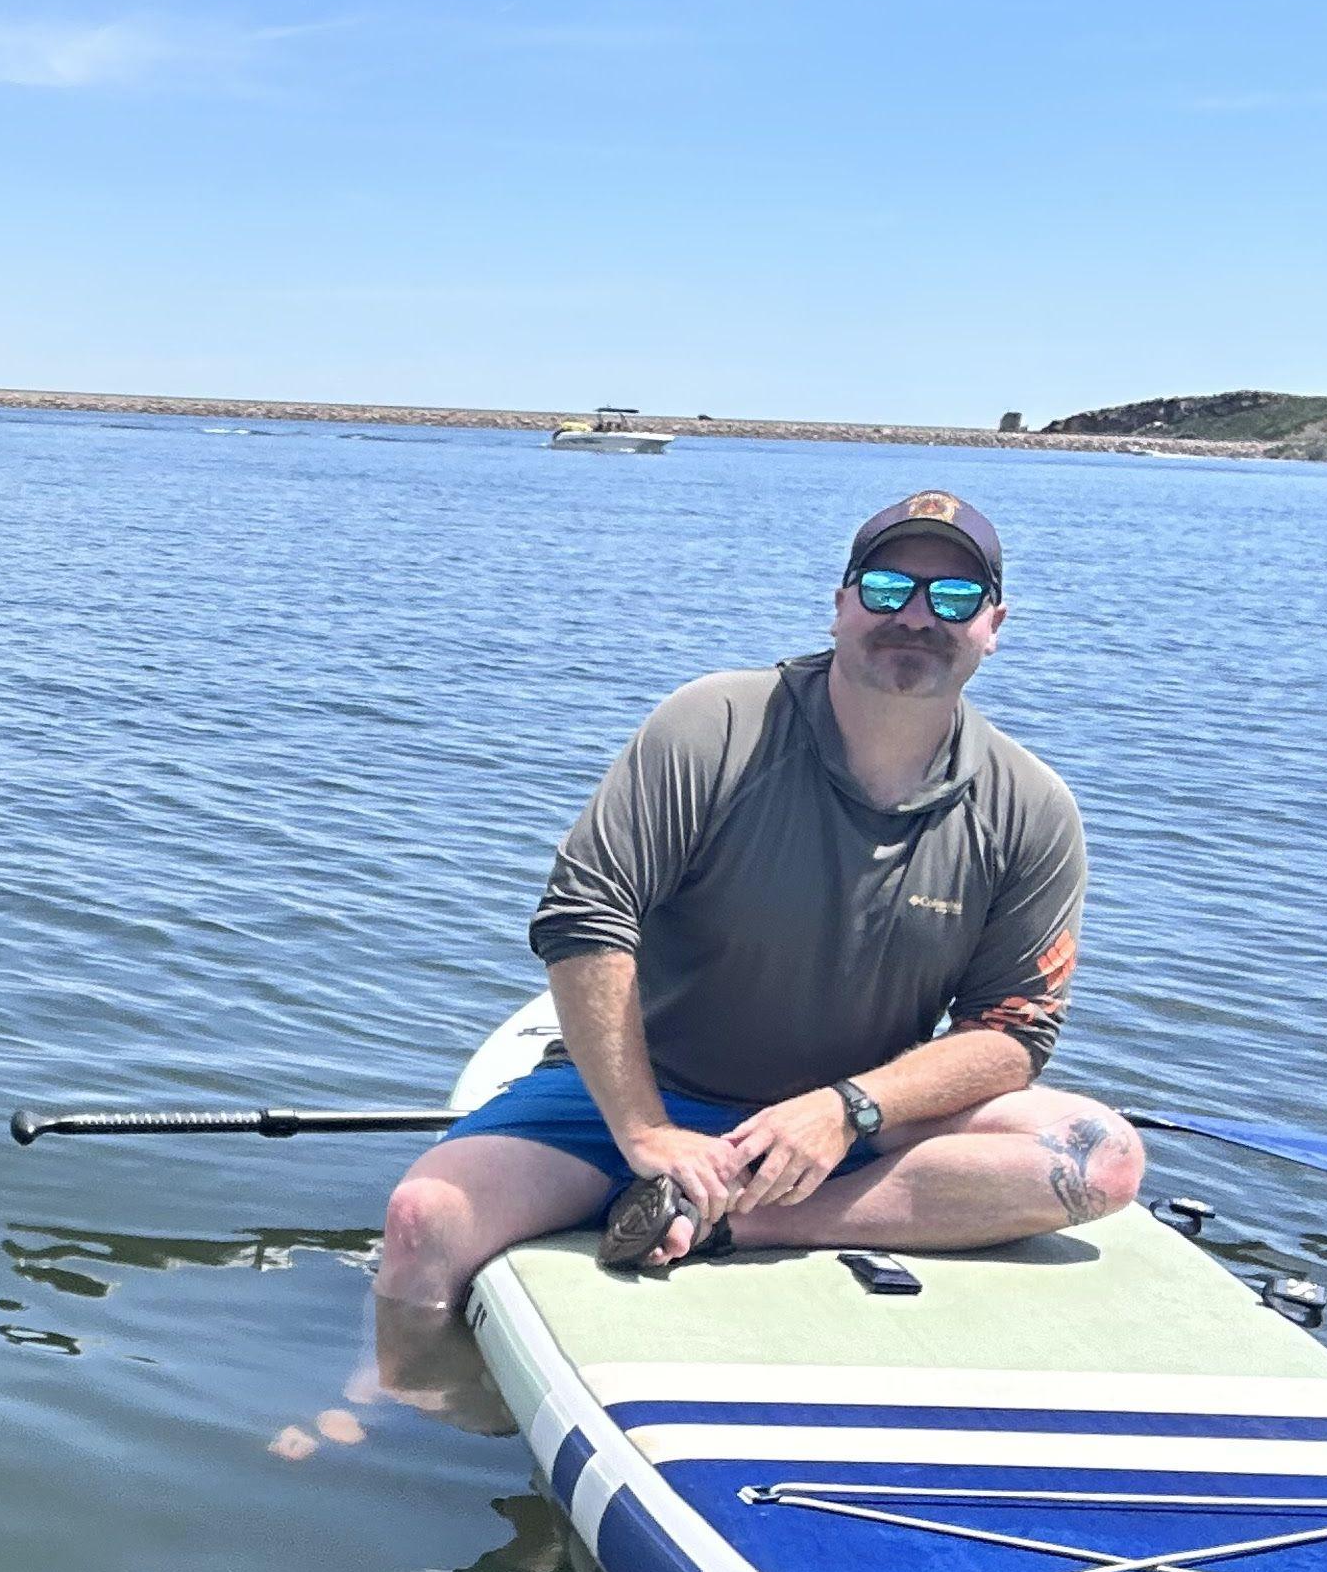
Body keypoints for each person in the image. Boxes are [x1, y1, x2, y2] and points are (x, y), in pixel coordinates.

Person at [374, 490, 1139, 1368]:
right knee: (421, 1221)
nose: (916, 616)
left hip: (851, 1126)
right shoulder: (716, 724)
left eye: (953, 599)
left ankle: (736, 1217)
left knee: (1101, 1161)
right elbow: (585, 916)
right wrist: (646, 1133)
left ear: (994, 626)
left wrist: (844, 1110)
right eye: (889, 588)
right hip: (646, 1090)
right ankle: (380, 1392)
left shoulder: (1031, 807)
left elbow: (1013, 1034)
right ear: (843, 602)